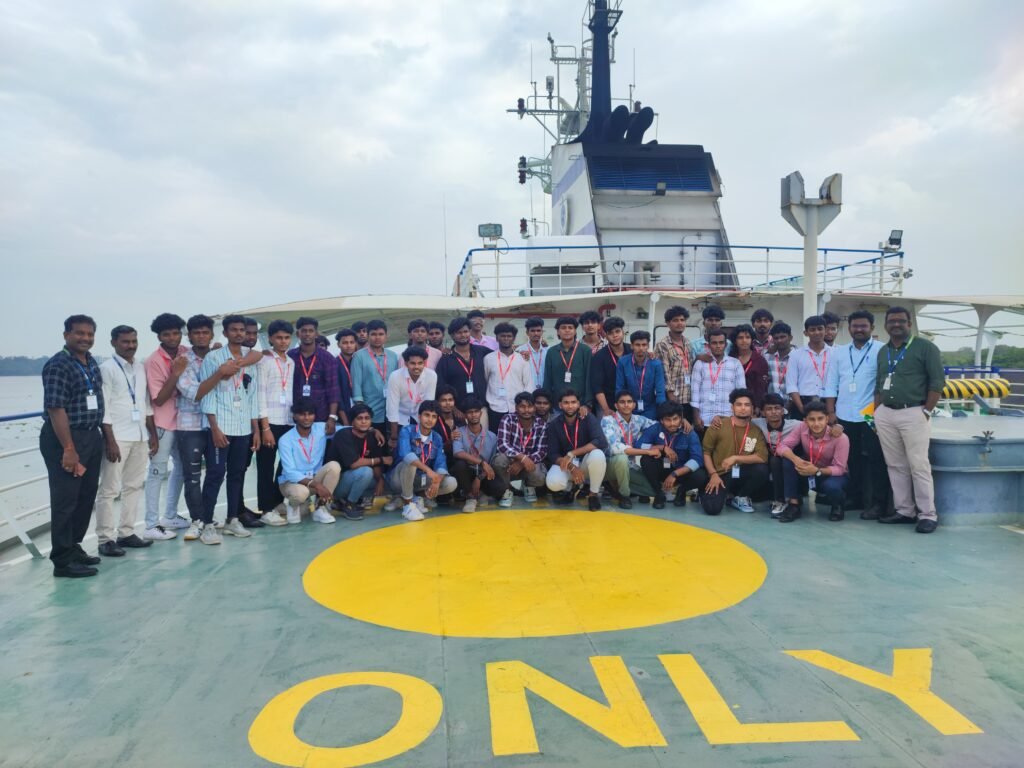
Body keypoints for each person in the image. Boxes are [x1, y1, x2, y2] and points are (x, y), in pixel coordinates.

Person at [40, 315, 106, 577]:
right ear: (66, 334)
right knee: (65, 499)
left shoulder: (90, 362)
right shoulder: (58, 365)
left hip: (91, 435)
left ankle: (74, 546)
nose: (85, 339)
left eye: (90, 334)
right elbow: (56, 409)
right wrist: (69, 448)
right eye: (79, 333)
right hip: (66, 438)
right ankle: (62, 560)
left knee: (85, 496)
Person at [873, 306, 945, 533]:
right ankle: (904, 510)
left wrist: (927, 411)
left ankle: (927, 514)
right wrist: (876, 414)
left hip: (914, 411)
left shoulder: (926, 348)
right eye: (892, 321)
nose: (896, 325)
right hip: (886, 412)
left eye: (901, 321)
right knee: (895, 465)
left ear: (909, 324)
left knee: (919, 465)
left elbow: (937, 382)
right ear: (886, 325)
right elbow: (879, 383)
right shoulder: (884, 351)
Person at [95, 325, 161, 553]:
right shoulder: (107, 368)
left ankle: (126, 533)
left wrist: (152, 434)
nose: (130, 346)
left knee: (133, 486)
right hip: (118, 437)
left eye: (134, 341)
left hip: (139, 435)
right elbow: (103, 407)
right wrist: (110, 440)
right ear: (114, 342)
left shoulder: (141, 368)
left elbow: (146, 404)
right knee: (109, 490)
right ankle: (105, 539)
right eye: (125, 342)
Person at [823, 310, 890, 519]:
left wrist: (877, 413)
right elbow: (831, 383)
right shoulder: (839, 352)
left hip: (870, 414)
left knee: (876, 459)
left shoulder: (881, 350)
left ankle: (879, 503)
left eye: (863, 326)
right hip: (844, 413)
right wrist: (831, 411)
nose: (859, 329)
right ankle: (855, 497)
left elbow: (882, 384)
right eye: (855, 326)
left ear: (872, 328)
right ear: (849, 328)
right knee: (850, 459)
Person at [199, 314, 262, 538]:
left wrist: (256, 430)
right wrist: (214, 427)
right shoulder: (213, 358)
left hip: (243, 427)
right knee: (215, 474)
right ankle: (207, 524)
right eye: (233, 330)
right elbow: (207, 396)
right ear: (225, 333)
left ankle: (232, 520)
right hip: (221, 427)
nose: (238, 333)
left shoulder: (250, 360)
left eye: (241, 330)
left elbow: (253, 396)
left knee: (237, 474)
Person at [174, 315, 220, 543]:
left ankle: (208, 519)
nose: (201, 336)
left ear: (212, 334)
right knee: (191, 477)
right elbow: (195, 393)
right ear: (189, 335)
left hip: (217, 426)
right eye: (196, 332)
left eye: (205, 332)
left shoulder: (219, 357)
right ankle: (197, 520)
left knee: (215, 473)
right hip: (190, 426)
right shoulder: (183, 361)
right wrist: (219, 374)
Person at [143, 313, 188, 536]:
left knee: (181, 467)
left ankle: (170, 516)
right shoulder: (154, 361)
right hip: (163, 424)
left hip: (184, 421)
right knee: (157, 473)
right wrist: (176, 373)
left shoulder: (184, 352)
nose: (172, 337)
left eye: (176, 332)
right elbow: (159, 399)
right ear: (159, 336)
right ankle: (151, 524)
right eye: (167, 334)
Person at [774, 400, 850, 522]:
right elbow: (781, 446)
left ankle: (837, 506)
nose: (816, 423)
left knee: (832, 486)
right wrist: (796, 459)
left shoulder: (840, 438)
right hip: (808, 470)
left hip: (830, 475)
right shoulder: (801, 428)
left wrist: (817, 470)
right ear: (805, 420)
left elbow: (840, 469)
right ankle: (794, 505)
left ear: (827, 419)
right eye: (812, 419)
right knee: (787, 461)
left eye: (820, 419)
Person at [699, 389, 769, 515]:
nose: (743, 408)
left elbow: (762, 457)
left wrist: (736, 458)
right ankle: (706, 493)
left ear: (753, 408)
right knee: (712, 508)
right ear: (732, 407)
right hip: (720, 475)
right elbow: (706, 452)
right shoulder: (718, 425)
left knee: (762, 470)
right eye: (739, 404)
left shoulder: (756, 430)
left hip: (742, 473)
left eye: (747, 405)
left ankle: (740, 497)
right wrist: (713, 474)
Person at [388, 401, 458, 521]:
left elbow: (441, 463)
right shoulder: (407, 431)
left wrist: (437, 481)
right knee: (411, 462)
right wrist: (428, 470)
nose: (430, 419)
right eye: (427, 415)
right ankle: (408, 505)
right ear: (419, 416)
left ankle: (418, 497)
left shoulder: (437, 438)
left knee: (451, 482)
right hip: (399, 479)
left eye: (434, 416)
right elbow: (406, 455)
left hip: (420, 480)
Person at [255, 320, 295, 526]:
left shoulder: (291, 362)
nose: (283, 341)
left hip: (287, 420)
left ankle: (277, 502)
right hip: (269, 422)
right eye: (279, 337)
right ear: (270, 338)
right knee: (265, 466)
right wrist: (265, 427)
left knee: (285, 465)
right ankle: (266, 509)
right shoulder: (263, 361)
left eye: (287, 337)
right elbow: (260, 393)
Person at [276, 399, 340, 525]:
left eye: (310, 414)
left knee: (334, 466)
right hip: (292, 482)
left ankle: (320, 508)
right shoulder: (285, 439)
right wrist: (316, 485)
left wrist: (372, 430)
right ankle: (293, 505)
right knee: (301, 493)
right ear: (294, 416)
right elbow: (290, 473)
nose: (306, 418)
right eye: (302, 414)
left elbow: (346, 429)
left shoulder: (321, 428)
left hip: (315, 477)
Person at [546, 389, 608, 510]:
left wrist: (572, 453)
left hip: (586, 462)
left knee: (598, 455)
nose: (570, 406)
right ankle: (571, 488)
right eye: (566, 402)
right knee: (553, 482)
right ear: (560, 405)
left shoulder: (588, 418)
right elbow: (553, 454)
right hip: (567, 464)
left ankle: (593, 494)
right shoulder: (554, 424)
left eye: (573, 402)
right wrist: (571, 467)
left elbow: (600, 441)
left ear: (579, 404)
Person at [327, 403, 392, 520]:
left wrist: (380, 480)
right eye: (359, 418)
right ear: (352, 422)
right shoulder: (343, 435)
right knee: (366, 472)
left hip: (355, 478)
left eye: (367, 418)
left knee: (388, 482)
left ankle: (346, 502)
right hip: (337, 484)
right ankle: (350, 504)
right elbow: (354, 463)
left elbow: (376, 464)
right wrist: (382, 459)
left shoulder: (373, 436)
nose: (364, 422)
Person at [639, 401, 708, 510]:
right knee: (646, 459)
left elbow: (697, 459)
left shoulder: (689, 432)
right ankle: (659, 493)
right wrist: (662, 448)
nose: (672, 423)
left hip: (682, 472)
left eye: (675, 419)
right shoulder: (656, 428)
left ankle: (682, 491)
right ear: (661, 420)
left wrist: (674, 474)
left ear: (681, 418)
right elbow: (639, 446)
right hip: (663, 468)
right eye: (668, 420)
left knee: (702, 474)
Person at [452, 397, 510, 512]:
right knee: (459, 465)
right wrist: (481, 462)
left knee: (500, 488)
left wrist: (479, 478)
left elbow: (492, 463)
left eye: (476, 411)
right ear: (465, 415)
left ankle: (481, 492)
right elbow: (457, 452)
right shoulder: (459, 432)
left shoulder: (492, 437)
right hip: (467, 473)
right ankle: (470, 497)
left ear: (481, 413)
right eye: (469, 412)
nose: (473, 415)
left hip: (483, 474)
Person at [601, 391, 658, 508]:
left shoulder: (638, 420)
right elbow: (616, 448)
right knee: (621, 458)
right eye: (622, 402)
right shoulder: (607, 421)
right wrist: (647, 451)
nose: (626, 405)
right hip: (609, 464)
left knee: (653, 491)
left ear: (634, 405)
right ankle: (624, 496)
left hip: (630, 465)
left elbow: (658, 426)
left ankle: (617, 486)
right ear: (616, 405)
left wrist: (682, 421)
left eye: (629, 402)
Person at [494, 392, 549, 505]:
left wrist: (522, 462)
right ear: (516, 407)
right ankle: (507, 490)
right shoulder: (507, 419)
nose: (526, 410)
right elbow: (502, 444)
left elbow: (542, 451)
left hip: (529, 462)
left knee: (539, 477)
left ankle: (528, 486)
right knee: (499, 461)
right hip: (511, 461)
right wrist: (522, 458)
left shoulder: (542, 424)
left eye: (529, 406)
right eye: (522, 406)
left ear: (534, 407)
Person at [288, 317, 341, 434]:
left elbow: (333, 390)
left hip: (320, 415)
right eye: (304, 331)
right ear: (298, 334)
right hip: (294, 415)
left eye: (311, 331)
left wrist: (332, 418)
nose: (307, 334)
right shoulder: (290, 356)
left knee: (319, 450)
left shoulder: (327, 358)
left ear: (316, 334)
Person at [351, 319, 400, 436]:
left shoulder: (393, 356)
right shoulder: (359, 356)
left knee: (391, 445)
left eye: (381, 334)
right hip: (369, 411)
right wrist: (361, 410)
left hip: (391, 409)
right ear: (368, 336)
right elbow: (356, 385)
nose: (377, 337)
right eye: (373, 334)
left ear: (386, 336)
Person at [690, 329, 745, 430]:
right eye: (714, 343)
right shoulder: (700, 363)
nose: (718, 346)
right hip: (704, 420)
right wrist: (696, 417)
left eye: (721, 342)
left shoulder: (735, 364)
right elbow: (695, 392)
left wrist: (738, 417)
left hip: (729, 418)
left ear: (726, 345)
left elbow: (741, 393)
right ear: (708, 345)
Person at [435, 316, 490, 417]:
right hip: (458, 413)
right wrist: (454, 410)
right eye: (459, 332)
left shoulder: (482, 352)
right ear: (452, 335)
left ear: (470, 332)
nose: (463, 335)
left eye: (465, 331)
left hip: (481, 410)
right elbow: (441, 387)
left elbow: (501, 356)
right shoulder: (445, 360)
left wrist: (520, 352)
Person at [483, 322, 533, 432]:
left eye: (509, 336)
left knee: (516, 439)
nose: (506, 339)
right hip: (495, 408)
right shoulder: (488, 359)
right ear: (497, 338)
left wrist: (525, 407)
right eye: (502, 336)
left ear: (514, 338)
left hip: (517, 408)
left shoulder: (522, 359)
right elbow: (486, 381)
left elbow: (528, 384)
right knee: (496, 440)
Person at [386, 346, 438, 445]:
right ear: (406, 363)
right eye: (412, 363)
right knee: (399, 451)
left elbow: (428, 405)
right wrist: (394, 436)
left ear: (425, 363)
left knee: (420, 448)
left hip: (420, 418)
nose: (416, 367)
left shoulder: (432, 376)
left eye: (420, 363)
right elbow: (392, 407)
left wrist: (424, 433)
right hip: (399, 418)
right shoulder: (395, 376)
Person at [542, 315, 593, 408]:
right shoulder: (551, 352)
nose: (567, 330)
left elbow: (589, 379)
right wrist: (547, 403)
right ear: (558, 331)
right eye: (563, 328)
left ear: (575, 331)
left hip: (580, 405)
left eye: (570, 328)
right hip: (557, 405)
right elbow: (547, 380)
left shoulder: (585, 350)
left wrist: (588, 404)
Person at [654, 305, 694, 420]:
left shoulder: (688, 343)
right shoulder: (663, 344)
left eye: (682, 320)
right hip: (673, 397)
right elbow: (664, 372)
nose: (679, 323)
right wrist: (671, 395)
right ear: (668, 323)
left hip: (688, 396)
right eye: (675, 320)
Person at [615, 330, 666, 420]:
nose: (641, 348)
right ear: (632, 346)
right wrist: (622, 407)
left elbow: (660, 390)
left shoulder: (656, 364)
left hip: (650, 408)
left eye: (644, 345)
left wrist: (663, 410)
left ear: (648, 346)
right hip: (629, 407)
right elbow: (619, 387)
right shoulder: (623, 362)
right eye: (637, 345)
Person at [786, 315, 830, 417]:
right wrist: (802, 409)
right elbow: (791, 385)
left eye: (820, 329)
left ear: (826, 330)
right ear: (806, 333)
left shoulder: (835, 353)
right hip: (803, 403)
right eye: (812, 330)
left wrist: (830, 410)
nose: (817, 332)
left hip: (828, 403)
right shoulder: (795, 355)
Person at [592, 316, 627, 418]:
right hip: (607, 404)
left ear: (623, 332)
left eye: (617, 331)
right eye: (611, 333)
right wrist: (606, 409)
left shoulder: (632, 351)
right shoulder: (599, 356)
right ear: (606, 336)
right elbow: (597, 387)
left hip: (631, 404)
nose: (615, 335)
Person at [729, 324, 770, 410]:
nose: (744, 340)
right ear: (735, 340)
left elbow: (761, 388)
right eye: (740, 338)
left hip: (752, 405)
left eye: (747, 337)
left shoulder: (759, 360)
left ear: (752, 340)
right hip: (731, 403)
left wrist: (758, 406)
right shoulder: (729, 358)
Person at [767, 322, 794, 405]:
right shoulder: (767, 358)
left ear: (790, 337)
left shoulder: (799, 357)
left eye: (783, 337)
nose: (779, 340)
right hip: (772, 406)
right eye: (776, 338)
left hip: (794, 405)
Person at [517, 316, 548, 389]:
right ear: (527, 332)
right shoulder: (519, 351)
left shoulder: (548, 351)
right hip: (527, 391)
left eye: (538, 330)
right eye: (533, 331)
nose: (536, 333)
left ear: (542, 332)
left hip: (545, 393)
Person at [335, 327, 357, 420]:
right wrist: (345, 421)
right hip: (342, 413)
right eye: (345, 343)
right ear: (338, 344)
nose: (349, 345)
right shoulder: (334, 364)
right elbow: (336, 395)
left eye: (351, 342)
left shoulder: (358, 362)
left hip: (359, 410)